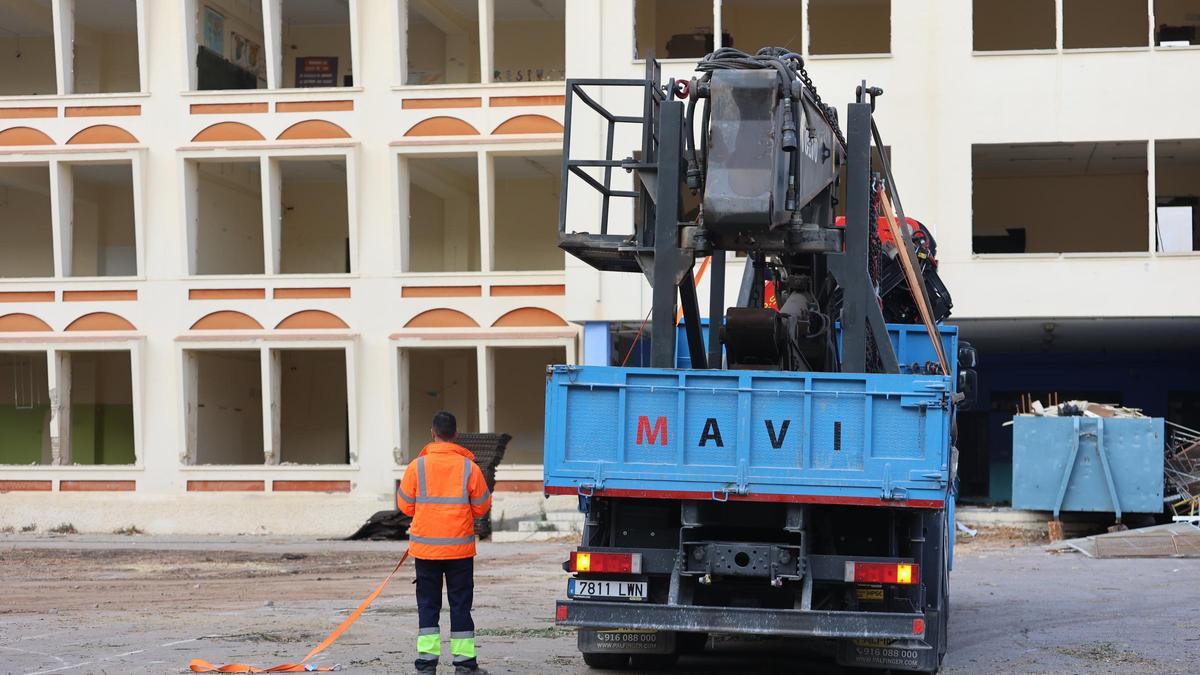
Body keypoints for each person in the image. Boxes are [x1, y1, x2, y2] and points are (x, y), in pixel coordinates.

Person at [397, 410, 492, 674]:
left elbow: (404, 505)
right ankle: (464, 665)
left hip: (426, 551)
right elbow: (482, 506)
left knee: (428, 606)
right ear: (456, 436)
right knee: (460, 606)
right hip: (459, 551)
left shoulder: (417, 466)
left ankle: (426, 665)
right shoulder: (469, 468)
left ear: (433, 433)